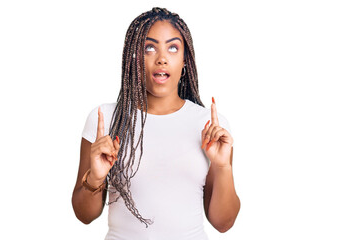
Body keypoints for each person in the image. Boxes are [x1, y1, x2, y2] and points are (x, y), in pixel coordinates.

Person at [71, 7, 240, 239]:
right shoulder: (105, 120)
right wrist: (96, 178)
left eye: (173, 48)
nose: (161, 58)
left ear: (184, 61)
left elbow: (223, 223)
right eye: (149, 48)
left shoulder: (209, 127)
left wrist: (222, 167)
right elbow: (84, 215)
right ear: (134, 58)